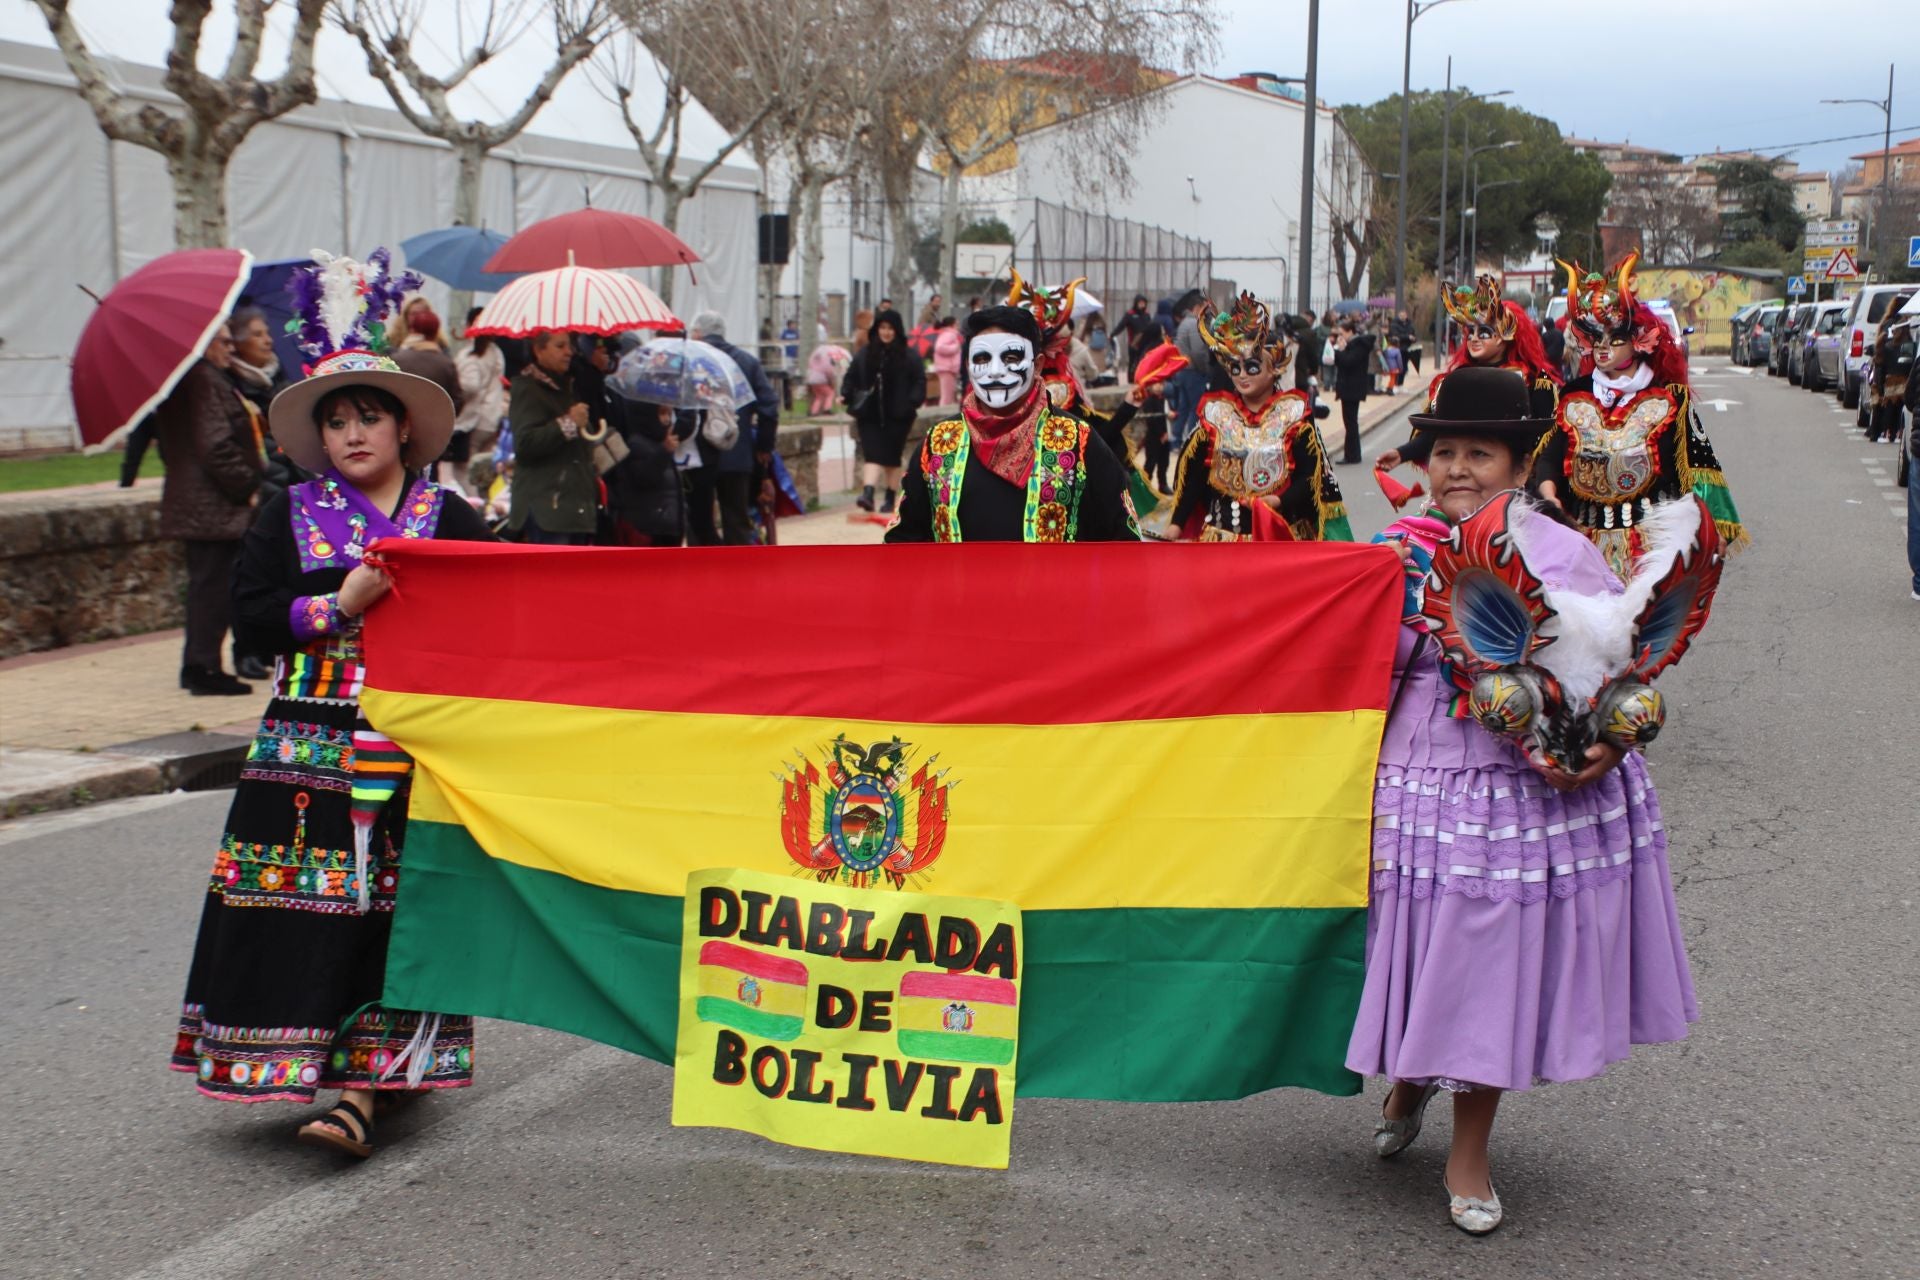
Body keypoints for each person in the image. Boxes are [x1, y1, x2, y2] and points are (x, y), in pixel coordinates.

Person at [1349, 364, 1707, 1235]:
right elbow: (1361, 660)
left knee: (1490, 956)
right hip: (1425, 776)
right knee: (1425, 945)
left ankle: (1469, 1150)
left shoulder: (1562, 549)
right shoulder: (1394, 549)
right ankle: (1409, 1076)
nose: (1459, 468)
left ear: (1518, 463)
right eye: (1445, 452)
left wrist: (1597, 749)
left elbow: (1610, 664)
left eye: (1482, 452)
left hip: (1524, 791)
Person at [170, 263, 494, 1160]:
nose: (354, 433)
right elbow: (250, 619)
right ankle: (318, 1064)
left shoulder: (454, 519)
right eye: (337, 420)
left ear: (404, 427)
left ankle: (364, 1084)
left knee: (396, 904)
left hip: (415, 745)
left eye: (370, 416)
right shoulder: (287, 515)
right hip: (304, 745)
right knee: (302, 906)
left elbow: (507, 622)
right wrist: (337, 607)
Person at [1534, 253, 1748, 577]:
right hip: (1583, 546)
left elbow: (1697, 467)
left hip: (1651, 552)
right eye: (1596, 339)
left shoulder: (1669, 398)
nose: (1603, 348)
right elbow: (1550, 455)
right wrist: (1549, 493)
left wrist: (1713, 527)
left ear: (1639, 342)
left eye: (1614, 339)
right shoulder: (1574, 394)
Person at [886, 305, 1138, 543]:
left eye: (1011, 357)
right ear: (968, 365)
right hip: (962, 589)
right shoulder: (939, 442)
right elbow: (903, 542)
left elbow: (1123, 538)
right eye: (982, 358)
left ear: (1038, 364)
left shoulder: (1078, 441)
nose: (995, 371)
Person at [1168, 292, 1351, 542]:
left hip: (1281, 541)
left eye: (1252, 367)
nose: (1242, 375)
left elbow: (1311, 478)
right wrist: (1175, 526)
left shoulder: (1294, 415)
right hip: (1222, 545)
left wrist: (1278, 500)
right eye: (1235, 368)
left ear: (1273, 369)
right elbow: (1195, 479)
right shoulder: (1215, 416)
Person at [154, 322, 263, 696]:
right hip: (213, 506)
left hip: (204, 503)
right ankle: (203, 669)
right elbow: (215, 445)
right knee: (212, 590)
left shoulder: (198, 379)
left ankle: (202, 665)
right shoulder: (203, 380)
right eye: (223, 341)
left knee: (212, 587)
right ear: (204, 343)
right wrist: (247, 484)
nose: (230, 347)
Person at [688, 311, 779, 545]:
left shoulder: (692, 362)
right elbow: (769, 406)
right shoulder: (747, 362)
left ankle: (702, 575)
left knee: (699, 521)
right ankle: (738, 575)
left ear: (698, 333)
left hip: (699, 453)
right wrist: (763, 446)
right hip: (737, 451)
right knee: (736, 519)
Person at [506, 330, 597, 545]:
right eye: (560, 346)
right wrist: (568, 423)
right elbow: (526, 444)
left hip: (572, 507)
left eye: (570, 346)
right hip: (547, 509)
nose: (569, 352)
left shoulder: (565, 387)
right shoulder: (528, 389)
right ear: (539, 350)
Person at [841, 308, 926, 515]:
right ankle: (868, 493)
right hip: (869, 414)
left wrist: (912, 402)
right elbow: (851, 375)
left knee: (891, 457)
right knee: (872, 454)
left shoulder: (908, 355)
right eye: (882, 328)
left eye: (890, 329)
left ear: (896, 331)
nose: (886, 333)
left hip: (898, 415)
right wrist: (846, 393)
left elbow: (919, 380)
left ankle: (890, 495)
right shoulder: (866, 353)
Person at [391, 305, 467, 493]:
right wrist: (440, 418)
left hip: (399, 429)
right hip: (434, 433)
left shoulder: (397, 359)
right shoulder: (446, 363)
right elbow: (458, 399)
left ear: (413, 330)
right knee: (429, 482)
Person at [605, 401, 686, 546]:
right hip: (648, 528)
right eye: (662, 413)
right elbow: (644, 478)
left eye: (669, 413)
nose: (667, 419)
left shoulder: (660, 444)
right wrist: (664, 452)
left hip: (668, 526)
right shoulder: (637, 445)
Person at [454, 307, 507, 459]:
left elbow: (470, 386)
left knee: (463, 470)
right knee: (482, 468)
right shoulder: (495, 351)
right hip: (493, 417)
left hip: (475, 420)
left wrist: (456, 393)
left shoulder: (471, 354)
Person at [1169, 289, 1211, 452]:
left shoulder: (1184, 323)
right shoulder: (1194, 324)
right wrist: (1205, 370)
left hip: (1182, 370)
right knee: (1195, 407)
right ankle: (1191, 441)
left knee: (1183, 407)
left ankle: (1176, 440)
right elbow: (1198, 352)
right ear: (1198, 307)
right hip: (1193, 372)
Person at [1330, 315, 1375, 465]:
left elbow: (1348, 362)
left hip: (1352, 388)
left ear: (1350, 332)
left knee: (1351, 423)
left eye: (1342, 334)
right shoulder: (1356, 345)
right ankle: (1352, 453)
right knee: (1350, 422)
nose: (1340, 337)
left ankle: (1352, 455)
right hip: (1350, 388)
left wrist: (1340, 350)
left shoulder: (1358, 345)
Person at [931, 316, 963, 406]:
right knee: (947, 397)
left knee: (949, 396)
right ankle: (943, 417)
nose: (958, 326)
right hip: (947, 368)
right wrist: (955, 348)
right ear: (952, 325)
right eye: (957, 324)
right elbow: (939, 347)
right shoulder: (949, 334)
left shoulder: (948, 334)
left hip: (948, 368)